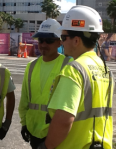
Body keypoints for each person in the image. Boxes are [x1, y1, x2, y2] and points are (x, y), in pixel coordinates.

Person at [37, 6, 115, 149]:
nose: (62, 42)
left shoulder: (74, 69)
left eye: (64, 37)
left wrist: (47, 146)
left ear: (76, 40)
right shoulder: (105, 69)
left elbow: (64, 120)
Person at [18, 18, 72, 149]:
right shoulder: (31, 66)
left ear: (60, 42)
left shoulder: (68, 65)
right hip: (33, 129)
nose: (43, 44)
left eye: (49, 41)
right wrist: (24, 123)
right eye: (41, 40)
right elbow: (25, 99)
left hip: (55, 132)